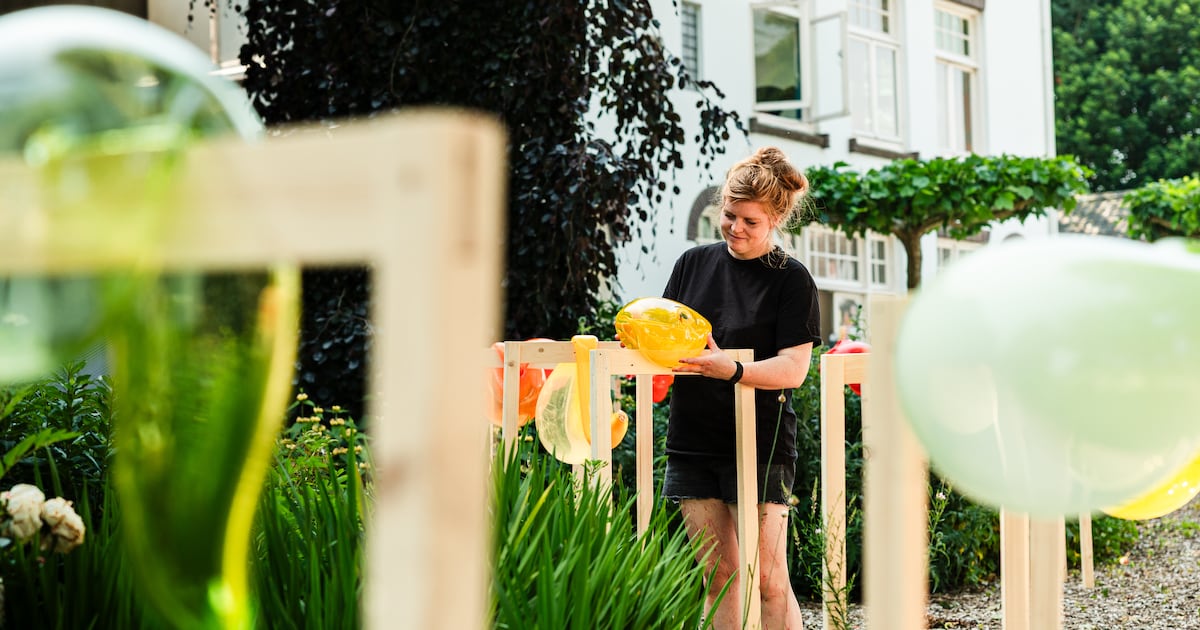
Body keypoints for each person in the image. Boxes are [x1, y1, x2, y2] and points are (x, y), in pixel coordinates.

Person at [662, 146, 821, 629]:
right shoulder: (693, 264)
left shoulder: (792, 280)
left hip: (761, 441)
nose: (735, 228)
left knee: (769, 578)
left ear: (776, 218)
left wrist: (729, 369)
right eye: (729, 216)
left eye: (750, 221)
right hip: (692, 440)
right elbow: (665, 339)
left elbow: (793, 369)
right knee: (719, 577)